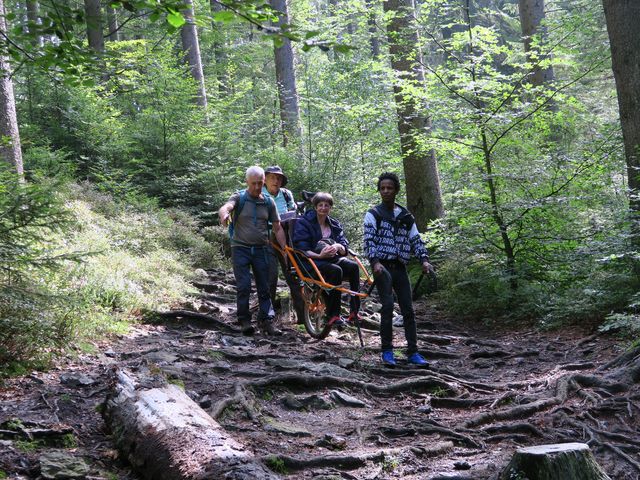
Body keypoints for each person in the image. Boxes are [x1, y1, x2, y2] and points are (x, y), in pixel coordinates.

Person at [363, 172, 434, 366]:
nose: (386, 191)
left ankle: (413, 352)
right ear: (379, 190)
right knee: (386, 308)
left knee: (408, 310)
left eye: (389, 188)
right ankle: (387, 352)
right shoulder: (373, 214)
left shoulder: (405, 216)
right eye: (382, 188)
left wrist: (424, 260)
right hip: (382, 268)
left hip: (400, 267)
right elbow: (369, 241)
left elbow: (415, 239)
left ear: (396, 190)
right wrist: (375, 262)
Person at [218, 166, 287, 336]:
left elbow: (277, 228)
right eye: (253, 183)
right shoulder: (239, 197)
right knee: (244, 286)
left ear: (264, 182)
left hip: (262, 249)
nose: (257, 187)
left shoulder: (268, 202)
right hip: (240, 247)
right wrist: (224, 215)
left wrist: (285, 249)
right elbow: (226, 207)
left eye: (260, 183)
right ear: (247, 182)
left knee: (265, 286)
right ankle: (244, 320)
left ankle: (266, 321)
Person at [293, 192, 361, 327]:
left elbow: (343, 243)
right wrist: (320, 255)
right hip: (312, 261)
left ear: (330, 208)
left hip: (332, 259)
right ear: (315, 206)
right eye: (320, 205)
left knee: (353, 267)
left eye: (327, 205)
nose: (323, 208)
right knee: (335, 271)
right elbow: (301, 247)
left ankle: (354, 311)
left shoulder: (334, 224)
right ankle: (333, 314)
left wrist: (338, 246)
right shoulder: (304, 223)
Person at [261, 166, 306, 324]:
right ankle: (268, 318)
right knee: (270, 277)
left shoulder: (286, 195)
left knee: (295, 277)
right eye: (272, 177)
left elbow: (293, 214)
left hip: (287, 238)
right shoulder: (258, 194)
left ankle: (303, 319)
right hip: (265, 239)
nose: (276, 181)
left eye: (279, 178)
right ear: (265, 179)